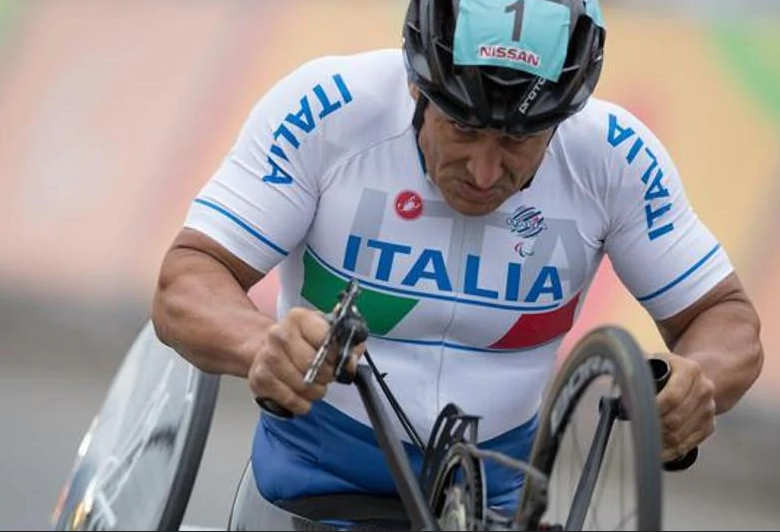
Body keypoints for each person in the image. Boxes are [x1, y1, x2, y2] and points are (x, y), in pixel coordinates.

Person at [151, 0, 764, 524]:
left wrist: (698, 381)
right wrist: (260, 344)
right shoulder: (327, 111)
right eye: (463, 129)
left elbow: (724, 318)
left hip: (490, 500)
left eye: (519, 139)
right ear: (416, 87)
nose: (485, 172)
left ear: (566, 117)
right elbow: (188, 280)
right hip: (316, 487)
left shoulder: (615, 158)